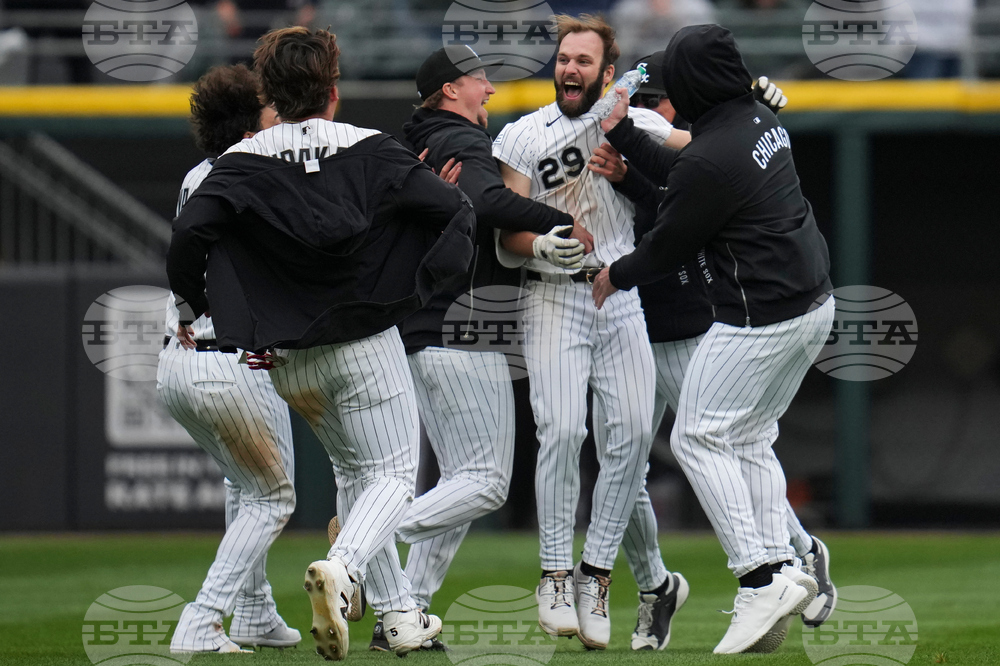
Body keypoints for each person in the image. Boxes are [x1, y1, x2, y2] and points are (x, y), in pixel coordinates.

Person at [166, 26, 476, 659]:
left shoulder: (236, 164)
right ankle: (344, 569)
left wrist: (200, 306)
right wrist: (418, 286)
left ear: (271, 96)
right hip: (363, 340)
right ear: (334, 91)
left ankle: (397, 618)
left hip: (288, 359)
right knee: (392, 474)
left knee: (356, 474)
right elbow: (454, 211)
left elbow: (188, 238)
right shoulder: (373, 148)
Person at [591, 24, 835, 654]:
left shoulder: (710, 153)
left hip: (762, 316)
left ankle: (762, 578)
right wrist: (623, 134)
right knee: (747, 438)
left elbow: (670, 240)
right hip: (813, 303)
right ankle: (793, 564)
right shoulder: (754, 115)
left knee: (696, 436)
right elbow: (687, 168)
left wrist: (613, 275)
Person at [363, 44, 592, 652]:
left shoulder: (413, 144)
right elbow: (490, 203)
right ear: (449, 91)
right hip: (462, 327)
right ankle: (359, 546)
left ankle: (403, 616)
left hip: (421, 329)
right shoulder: (461, 142)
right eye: (478, 80)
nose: (489, 90)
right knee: (487, 483)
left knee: (459, 487)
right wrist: (551, 219)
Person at [491, 14, 685, 650]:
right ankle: (553, 574)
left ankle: (594, 576)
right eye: (563, 58)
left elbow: (699, 156)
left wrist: (753, 106)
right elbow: (507, 240)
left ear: (608, 70)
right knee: (562, 429)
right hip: (552, 295)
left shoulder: (635, 122)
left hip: (619, 294)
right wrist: (546, 242)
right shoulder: (523, 134)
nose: (569, 68)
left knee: (629, 438)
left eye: (583, 60)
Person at [161, 63, 297, 655]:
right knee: (273, 497)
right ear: (250, 124)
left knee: (244, 485)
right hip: (230, 357)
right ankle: (203, 617)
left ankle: (256, 611)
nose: (280, 117)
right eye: (270, 109)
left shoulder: (198, 174)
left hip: (182, 356)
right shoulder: (255, 172)